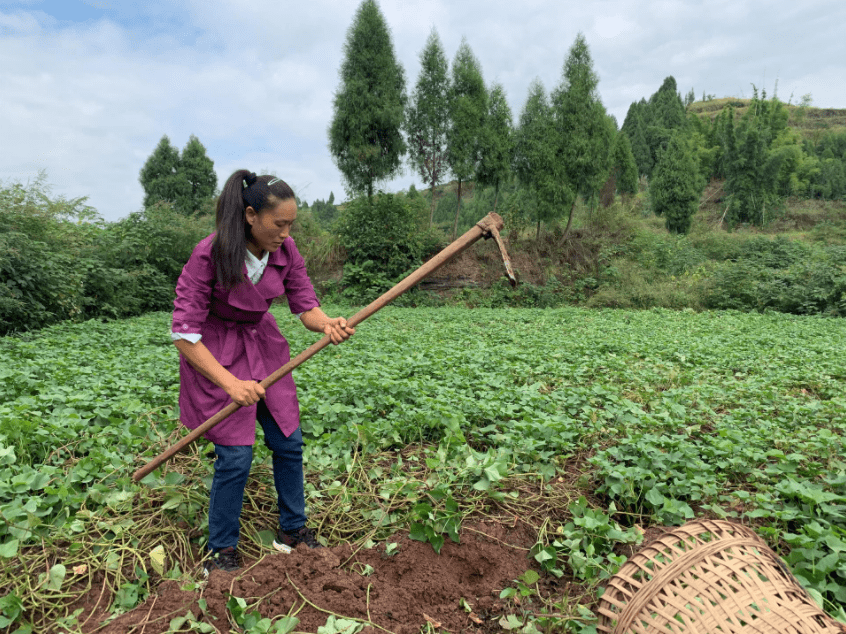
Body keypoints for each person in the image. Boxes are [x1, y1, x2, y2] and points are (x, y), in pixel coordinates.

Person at [171, 170, 354, 575]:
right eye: (279, 224)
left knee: (288, 440)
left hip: (264, 346)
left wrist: (326, 323)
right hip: (217, 353)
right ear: (251, 215)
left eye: (291, 225)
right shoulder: (209, 255)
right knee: (236, 456)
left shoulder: (286, 252)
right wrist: (231, 383)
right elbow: (185, 335)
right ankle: (221, 550)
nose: (286, 234)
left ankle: (292, 530)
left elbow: (306, 306)